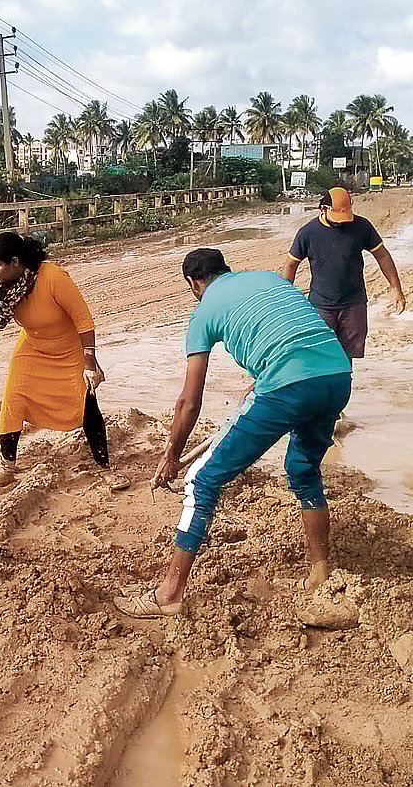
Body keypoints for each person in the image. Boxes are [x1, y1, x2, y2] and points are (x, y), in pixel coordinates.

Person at [114, 249, 352, 619]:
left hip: (288, 386)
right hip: (336, 376)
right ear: (226, 269)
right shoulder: (268, 278)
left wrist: (172, 454)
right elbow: (289, 334)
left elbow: (189, 402)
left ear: (193, 283)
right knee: (304, 470)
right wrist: (263, 378)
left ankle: (168, 595)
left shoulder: (204, 310)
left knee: (201, 479)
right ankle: (319, 572)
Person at [0, 232, 108, 489]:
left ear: (15, 262)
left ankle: (104, 465)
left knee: (86, 403)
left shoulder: (53, 278)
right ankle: (7, 467)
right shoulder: (1, 292)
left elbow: (83, 321)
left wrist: (90, 364)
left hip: (70, 350)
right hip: (33, 349)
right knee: (13, 399)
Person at [280, 185, 406, 361]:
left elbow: (382, 256)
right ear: (324, 209)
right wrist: (285, 298)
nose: (341, 222)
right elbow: (291, 264)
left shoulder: (361, 226)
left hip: (354, 304)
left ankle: (345, 379)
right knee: (321, 356)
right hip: (321, 305)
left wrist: (396, 288)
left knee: (347, 358)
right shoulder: (308, 233)